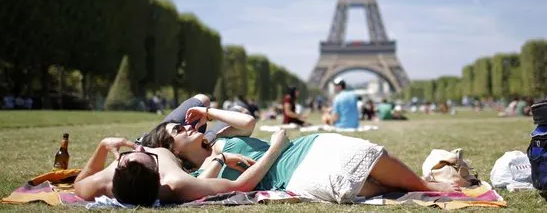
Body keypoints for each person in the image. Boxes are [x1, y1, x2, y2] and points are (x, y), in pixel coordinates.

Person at [140, 97, 460, 204]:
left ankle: (426, 186)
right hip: (291, 173)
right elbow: (243, 186)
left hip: (303, 149)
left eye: (181, 124)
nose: (185, 126)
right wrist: (274, 146)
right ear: (173, 151)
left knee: (366, 155)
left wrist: (209, 114)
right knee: (364, 183)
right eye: (178, 130)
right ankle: (421, 185)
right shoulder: (199, 173)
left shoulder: (218, 132)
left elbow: (246, 120)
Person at [74, 130, 291, 206]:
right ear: (159, 176)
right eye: (148, 155)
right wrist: (276, 148)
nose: (141, 149)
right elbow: (242, 185)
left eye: (127, 157)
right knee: (202, 101)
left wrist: (103, 146)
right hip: (176, 142)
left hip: (164, 134)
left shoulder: (98, 184)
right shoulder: (175, 183)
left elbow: (79, 183)